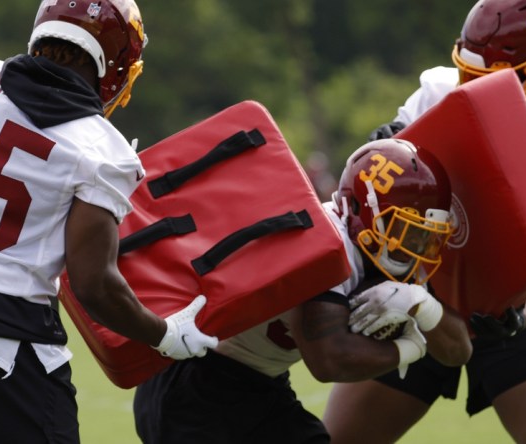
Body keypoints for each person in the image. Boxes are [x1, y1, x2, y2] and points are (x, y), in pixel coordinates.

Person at [0, 1, 218, 442]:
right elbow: (93, 283)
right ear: (114, 64)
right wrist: (164, 334)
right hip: (1, 337)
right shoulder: (101, 148)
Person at [323, 1, 526, 443]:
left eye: (491, 76)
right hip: (414, 296)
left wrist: (519, 316)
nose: (470, 86)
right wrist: (382, 149)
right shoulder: (438, 89)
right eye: (467, 70)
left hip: (501, 311)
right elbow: (377, 183)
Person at [133, 138, 473, 444]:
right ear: (360, 210)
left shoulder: (396, 255)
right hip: (197, 383)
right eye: (408, 232)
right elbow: (329, 360)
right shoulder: (323, 242)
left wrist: (425, 307)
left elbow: (458, 351)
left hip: (256, 384)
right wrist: (408, 350)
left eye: (427, 236)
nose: (417, 247)